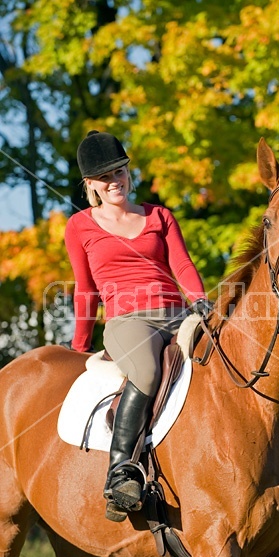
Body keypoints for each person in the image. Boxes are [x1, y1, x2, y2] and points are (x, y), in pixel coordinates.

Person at [65, 130, 212, 522]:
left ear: (130, 173)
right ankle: (121, 474)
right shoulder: (79, 227)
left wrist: (200, 302)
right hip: (127, 321)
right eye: (106, 176)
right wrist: (79, 344)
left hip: (177, 314)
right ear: (90, 185)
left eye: (121, 171)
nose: (116, 180)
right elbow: (86, 289)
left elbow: (181, 265)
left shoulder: (160, 216)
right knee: (146, 371)